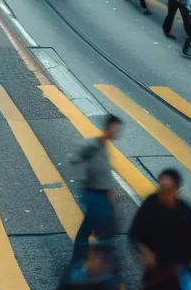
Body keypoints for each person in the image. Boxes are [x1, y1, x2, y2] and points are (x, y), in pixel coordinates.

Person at [130, 169, 191, 290]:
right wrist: (144, 251)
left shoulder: (185, 212)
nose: (164, 195)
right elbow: (134, 233)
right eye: (162, 190)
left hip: (177, 274)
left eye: (169, 191)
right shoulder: (150, 204)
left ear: (177, 191)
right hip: (154, 273)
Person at [69, 114, 120, 281]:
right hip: (93, 194)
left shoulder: (105, 145)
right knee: (97, 231)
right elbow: (75, 159)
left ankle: (90, 264)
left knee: (95, 230)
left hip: (101, 194)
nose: (117, 133)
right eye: (115, 129)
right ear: (107, 128)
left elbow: (104, 170)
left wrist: (109, 188)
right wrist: (86, 180)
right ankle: (84, 265)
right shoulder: (94, 145)